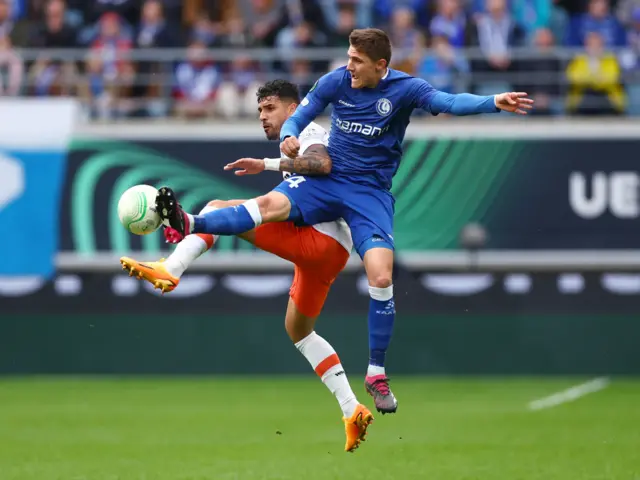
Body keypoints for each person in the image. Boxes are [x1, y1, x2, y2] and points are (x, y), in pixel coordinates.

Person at [155, 28, 534, 415]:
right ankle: (189, 222)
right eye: (348, 57)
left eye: (357, 61)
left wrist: (492, 101)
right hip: (327, 185)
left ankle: (375, 373)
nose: (349, 66)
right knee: (268, 203)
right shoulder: (336, 81)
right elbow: (300, 114)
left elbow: (449, 100)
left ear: (380, 66)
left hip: (368, 195)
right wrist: (287, 136)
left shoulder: (406, 89)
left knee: (382, 276)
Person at [120, 80, 373, 453]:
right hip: (328, 250)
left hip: (320, 241)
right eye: (259, 111)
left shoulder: (308, 130)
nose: (263, 117)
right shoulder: (299, 138)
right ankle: (352, 409)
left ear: (293, 108)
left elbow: (322, 162)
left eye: (270, 108)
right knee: (299, 330)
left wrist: (275, 163)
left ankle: (172, 268)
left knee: (220, 208)